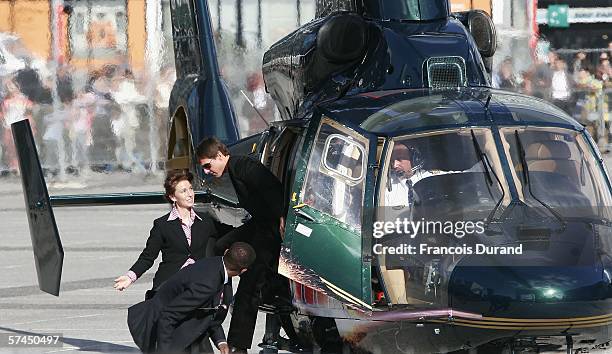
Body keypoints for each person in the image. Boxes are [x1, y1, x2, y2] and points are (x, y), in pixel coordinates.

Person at [196, 136, 284, 353]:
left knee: (249, 284)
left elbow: (271, 187)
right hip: (260, 224)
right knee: (220, 245)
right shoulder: (234, 169)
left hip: (271, 229)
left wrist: (283, 215)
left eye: (208, 165)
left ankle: (238, 345)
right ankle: (219, 291)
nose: (207, 171)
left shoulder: (243, 165)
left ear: (219, 156)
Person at [127, 241, 256, 354]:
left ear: (226, 251)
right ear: (243, 271)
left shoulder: (218, 266)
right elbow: (168, 316)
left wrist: (220, 341)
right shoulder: (207, 283)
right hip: (162, 330)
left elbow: (211, 310)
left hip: (191, 326)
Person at [113, 169, 225, 298]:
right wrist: (130, 277)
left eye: (190, 189)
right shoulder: (162, 225)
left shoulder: (205, 220)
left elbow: (229, 234)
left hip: (199, 282)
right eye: (183, 191)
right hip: (170, 282)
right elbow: (148, 257)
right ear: (173, 197)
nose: (190, 194)